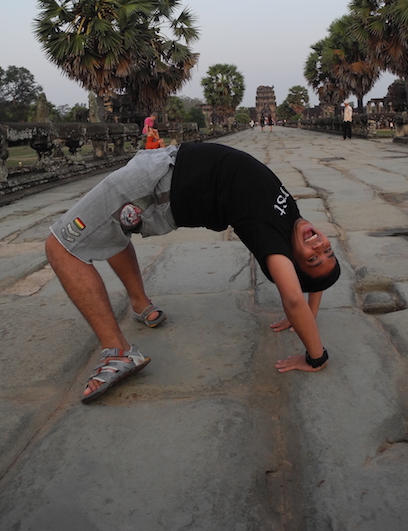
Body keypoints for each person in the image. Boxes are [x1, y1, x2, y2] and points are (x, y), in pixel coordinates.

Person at [46, 142, 340, 403]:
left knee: (59, 246)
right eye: (328, 250)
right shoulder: (292, 221)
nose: (319, 246)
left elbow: (292, 295)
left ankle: (117, 351)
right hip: (166, 171)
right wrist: (309, 312)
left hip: (158, 185)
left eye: (313, 259)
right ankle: (140, 303)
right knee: (114, 225)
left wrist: (317, 357)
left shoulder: (273, 241)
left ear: (291, 262)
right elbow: (312, 280)